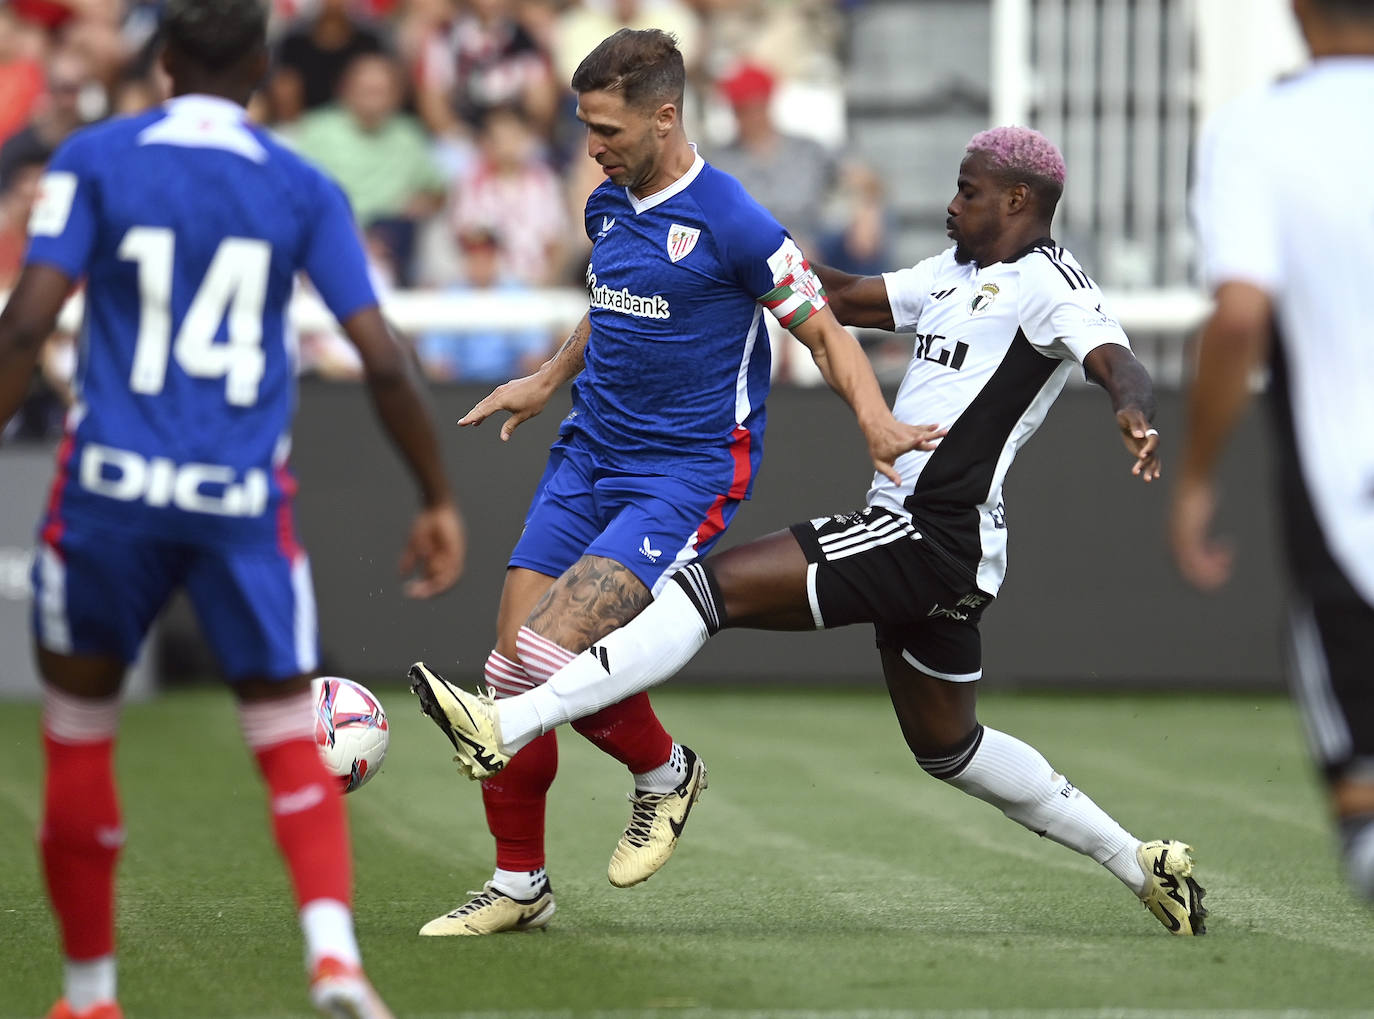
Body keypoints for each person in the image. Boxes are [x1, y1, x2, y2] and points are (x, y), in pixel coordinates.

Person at [413, 125, 1212, 938]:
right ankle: (1140, 862)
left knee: (705, 588)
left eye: (968, 191)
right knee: (950, 746)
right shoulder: (956, 272)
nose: (950, 202)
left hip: (923, 532)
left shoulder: (1050, 283)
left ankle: (508, 723)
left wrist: (1131, 407)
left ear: (1017, 200)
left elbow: (1117, 356)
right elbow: (842, 295)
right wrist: (751, 249)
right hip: (949, 551)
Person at [407, 27, 938, 936]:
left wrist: (874, 419)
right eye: (583, 126)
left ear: (664, 116)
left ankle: (665, 773)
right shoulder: (609, 204)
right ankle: (520, 885)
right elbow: (612, 300)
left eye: (606, 128)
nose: (592, 147)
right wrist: (547, 376)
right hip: (588, 453)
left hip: (683, 473)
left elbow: (823, 329)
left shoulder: (734, 221)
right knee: (508, 672)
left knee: (543, 659)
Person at [0, 1, 466, 1016]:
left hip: (108, 494)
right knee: (281, 733)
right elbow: (382, 356)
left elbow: (28, 319)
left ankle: (87, 994)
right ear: (263, 65)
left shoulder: (96, 157)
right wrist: (435, 494)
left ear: (162, 58)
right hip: (240, 499)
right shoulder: (300, 181)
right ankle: (334, 954)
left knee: (79, 732)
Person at [1172, 0, 1374, 904]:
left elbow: (1243, 314)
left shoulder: (1258, 130)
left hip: (1348, 506)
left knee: (1366, 818)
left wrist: (1196, 476)